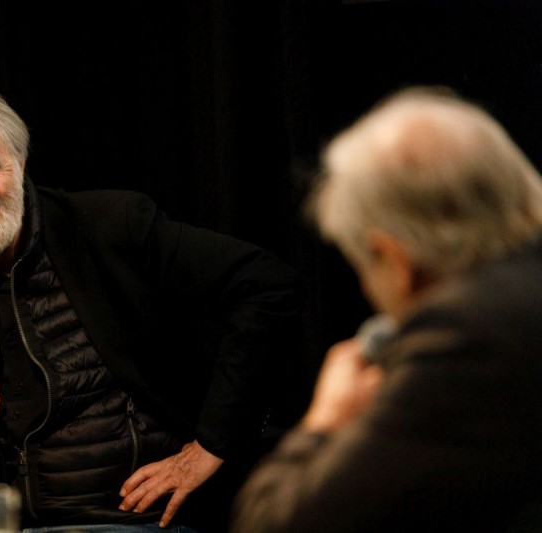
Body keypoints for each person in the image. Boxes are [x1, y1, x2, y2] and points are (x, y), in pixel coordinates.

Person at [0, 77, 306, 532]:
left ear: (19, 161)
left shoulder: (109, 226)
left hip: (126, 520)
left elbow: (267, 285)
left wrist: (214, 444)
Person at [230, 85, 542, 533]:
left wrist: (325, 420)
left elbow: (273, 523)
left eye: (361, 264)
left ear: (394, 262)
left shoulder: (462, 339)